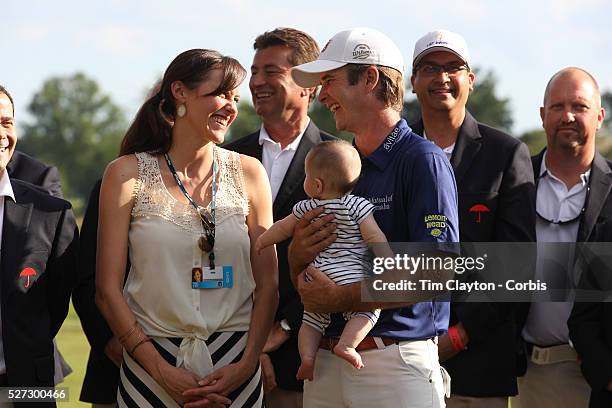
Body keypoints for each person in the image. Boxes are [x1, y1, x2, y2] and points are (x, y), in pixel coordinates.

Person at [95, 49, 278, 407]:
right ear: (179, 92)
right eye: (220, 93)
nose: (231, 106)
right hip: (150, 365)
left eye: (235, 98)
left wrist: (246, 364)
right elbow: (106, 290)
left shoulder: (251, 173)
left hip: (235, 367)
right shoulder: (125, 174)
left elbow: (269, 284)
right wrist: (158, 370)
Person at [290, 27, 459, 408]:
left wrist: (338, 296)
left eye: (330, 80)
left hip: (394, 363)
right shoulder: (337, 165)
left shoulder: (422, 160)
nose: (323, 94)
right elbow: (305, 280)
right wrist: (296, 257)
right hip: (326, 361)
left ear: (370, 78)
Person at [409, 30, 536, 407]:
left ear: (470, 80)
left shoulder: (507, 153)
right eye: (430, 68)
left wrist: (460, 334)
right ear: (413, 81)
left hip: (479, 364)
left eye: (453, 67)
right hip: (401, 357)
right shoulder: (394, 152)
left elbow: (518, 265)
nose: (441, 77)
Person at [225, 27, 334, 408]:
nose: (256, 82)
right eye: (254, 71)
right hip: (224, 353)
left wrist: (281, 329)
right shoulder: (224, 158)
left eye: (271, 71)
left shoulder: (342, 161)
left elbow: (339, 260)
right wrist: (248, 343)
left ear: (308, 84)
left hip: (302, 361)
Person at [256, 140, 392, 379]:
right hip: (351, 275)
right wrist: (387, 259)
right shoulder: (358, 206)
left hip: (317, 274)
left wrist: (262, 241)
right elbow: (374, 235)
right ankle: (348, 344)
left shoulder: (306, 207)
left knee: (311, 320)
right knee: (369, 312)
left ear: (316, 185)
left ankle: (307, 359)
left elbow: (282, 228)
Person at [515, 67, 610, 408]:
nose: (567, 115)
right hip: (522, 374)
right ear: (542, 116)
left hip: (594, 376)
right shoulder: (515, 185)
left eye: (579, 106)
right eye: (557, 107)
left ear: (599, 116)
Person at [0, 85, 78, 405]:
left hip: (29, 389)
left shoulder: (51, 214)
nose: (2, 134)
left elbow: (54, 305)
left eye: (6, 122)